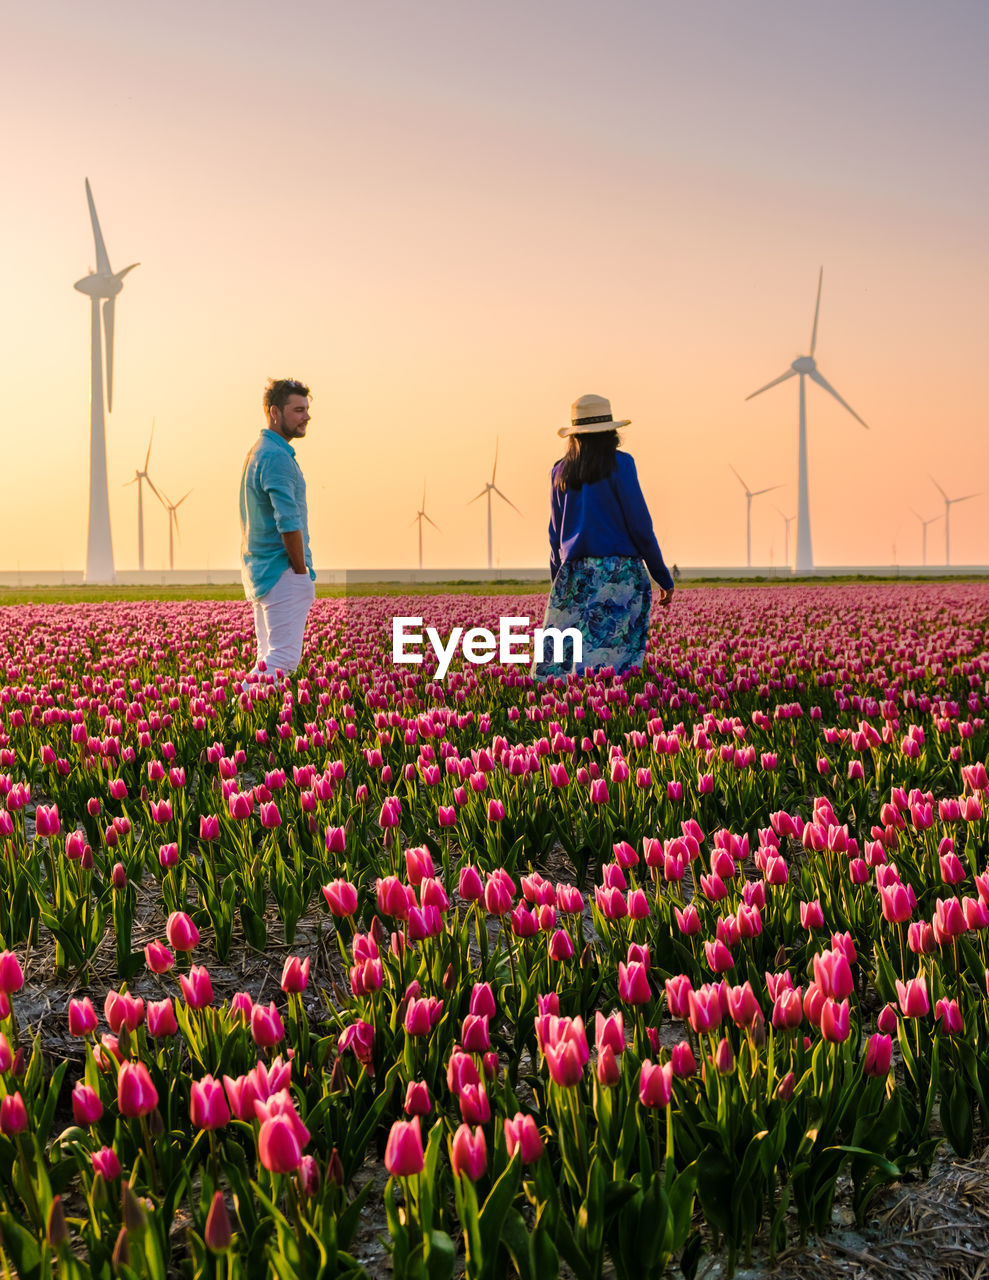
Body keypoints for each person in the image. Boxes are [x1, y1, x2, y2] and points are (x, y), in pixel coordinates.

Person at [532, 394, 674, 680]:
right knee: (610, 657)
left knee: (562, 662)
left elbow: (554, 537)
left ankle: (565, 717)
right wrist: (662, 576)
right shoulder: (621, 465)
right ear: (611, 431)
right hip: (618, 574)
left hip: (573, 574)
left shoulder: (560, 470)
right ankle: (600, 717)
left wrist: (558, 585)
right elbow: (640, 526)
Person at [239, 378, 316, 676]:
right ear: (274, 412)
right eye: (298, 410)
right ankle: (232, 720)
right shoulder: (276, 457)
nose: (306, 416)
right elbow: (288, 521)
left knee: (267, 658)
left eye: (306, 409)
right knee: (282, 662)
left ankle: (248, 721)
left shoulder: (258, 453)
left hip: (261, 572)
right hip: (281, 571)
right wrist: (300, 572)